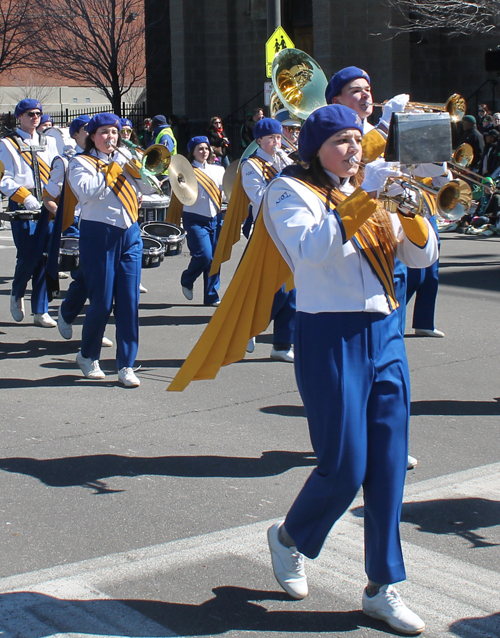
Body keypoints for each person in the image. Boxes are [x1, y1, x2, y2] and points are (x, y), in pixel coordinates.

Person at [263, 104, 438, 635]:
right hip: (330, 335)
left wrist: (408, 209)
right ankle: (289, 537)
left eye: (356, 140)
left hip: (386, 334)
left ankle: (383, 587)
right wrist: (365, 197)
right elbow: (312, 250)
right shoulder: (289, 192)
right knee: (344, 466)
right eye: (340, 141)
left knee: (386, 466)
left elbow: (422, 258)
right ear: (315, 147)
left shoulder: (373, 188)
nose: (353, 150)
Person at [66, 112, 154, 387]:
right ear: (92, 137)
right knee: (102, 301)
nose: (111, 138)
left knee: (129, 302)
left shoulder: (125, 159)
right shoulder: (81, 162)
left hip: (130, 233)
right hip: (98, 233)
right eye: (104, 133)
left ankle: (126, 365)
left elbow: (149, 188)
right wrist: (116, 169)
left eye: (114, 133)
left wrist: (143, 171)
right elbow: (87, 192)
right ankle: (87, 355)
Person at [42, 114, 114, 348]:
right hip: (78, 224)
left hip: (108, 225)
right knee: (87, 277)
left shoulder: (110, 158)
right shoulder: (66, 162)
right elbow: (49, 195)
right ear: (77, 135)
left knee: (93, 279)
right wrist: (65, 216)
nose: (102, 135)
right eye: (88, 129)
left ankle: (92, 325)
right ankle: (67, 311)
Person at [0, 99, 59, 327]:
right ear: (19, 117)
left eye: (38, 113)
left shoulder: (50, 141)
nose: (35, 117)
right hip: (22, 202)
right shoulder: (7, 144)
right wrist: (24, 196)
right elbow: (4, 177)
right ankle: (17, 291)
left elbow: (57, 170)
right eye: (29, 114)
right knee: (27, 255)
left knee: (45, 256)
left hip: (48, 201)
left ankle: (40, 310)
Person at [241, 117, 296, 362]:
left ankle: (283, 344)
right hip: (266, 229)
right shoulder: (251, 165)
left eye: (278, 137)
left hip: (291, 227)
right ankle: (250, 326)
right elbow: (260, 197)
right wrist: (284, 176)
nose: (276, 142)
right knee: (275, 287)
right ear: (259, 142)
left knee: (292, 286)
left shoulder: (286, 160)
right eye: (271, 139)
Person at [180, 136, 225, 306]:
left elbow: (225, 192)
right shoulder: (185, 171)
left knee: (215, 258)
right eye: (199, 148)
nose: (204, 152)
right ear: (192, 152)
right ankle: (187, 279)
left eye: (206, 148)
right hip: (195, 217)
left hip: (215, 217)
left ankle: (211, 295)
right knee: (204, 255)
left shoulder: (218, 170)